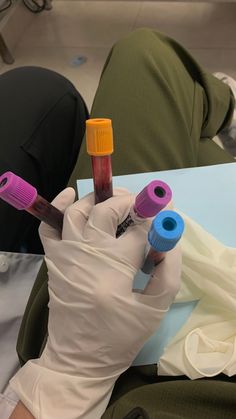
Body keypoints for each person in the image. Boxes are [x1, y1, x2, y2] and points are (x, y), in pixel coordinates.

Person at [0, 28, 236, 418]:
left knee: (139, 61)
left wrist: (69, 376)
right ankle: (215, 115)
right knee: (148, 60)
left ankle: (215, 113)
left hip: (63, 353)